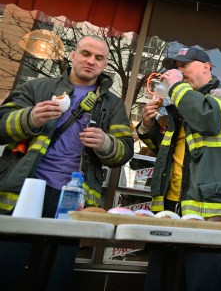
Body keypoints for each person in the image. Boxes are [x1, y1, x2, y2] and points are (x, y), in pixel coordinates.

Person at [0, 35, 134, 290]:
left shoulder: (113, 104)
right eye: (85, 53)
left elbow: (125, 152)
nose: (90, 61)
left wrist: (106, 143)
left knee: (54, 276)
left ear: (105, 64)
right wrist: (30, 118)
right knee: (7, 268)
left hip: (73, 199)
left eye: (98, 58)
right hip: (24, 191)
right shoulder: (37, 87)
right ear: (72, 55)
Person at [138, 45, 221, 291]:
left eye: (184, 65)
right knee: (163, 282)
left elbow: (210, 119)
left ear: (206, 67)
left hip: (209, 211)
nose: (178, 71)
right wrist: (148, 126)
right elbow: (167, 152)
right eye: (175, 68)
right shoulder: (180, 104)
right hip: (170, 208)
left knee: (203, 282)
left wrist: (177, 87)